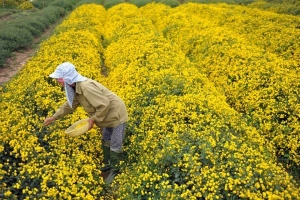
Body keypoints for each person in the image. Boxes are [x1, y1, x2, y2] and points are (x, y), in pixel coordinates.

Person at [43, 62, 128, 184]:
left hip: (116, 115)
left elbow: (104, 104)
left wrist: (93, 119)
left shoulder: (86, 87)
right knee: (106, 139)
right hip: (106, 116)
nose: (57, 81)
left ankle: (115, 170)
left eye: (59, 79)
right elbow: (70, 105)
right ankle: (109, 165)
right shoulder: (76, 88)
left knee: (115, 143)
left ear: (67, 78)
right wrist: (54, 117)